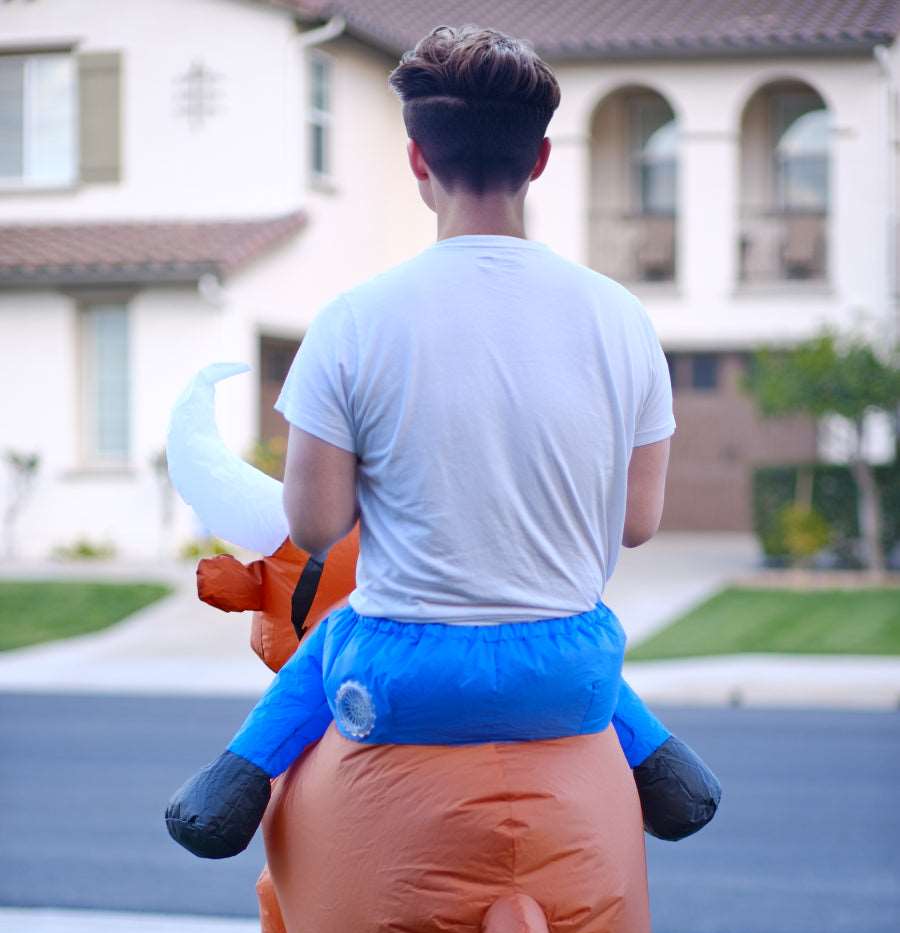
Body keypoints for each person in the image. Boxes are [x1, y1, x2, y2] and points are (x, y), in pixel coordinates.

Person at [166, 26, 719, 861]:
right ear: (538, 162)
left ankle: (232, 783)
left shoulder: (352, 320)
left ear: (418, 161)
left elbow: (313, 529)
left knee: (342, 625)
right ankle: (667, 770)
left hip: (400, 684)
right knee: (575, 627)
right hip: (571, 680)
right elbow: (637, 523)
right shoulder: (624, 320)